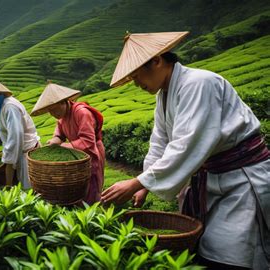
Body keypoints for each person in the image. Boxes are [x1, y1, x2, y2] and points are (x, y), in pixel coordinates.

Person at [101, 31, 269, 269]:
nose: (137, 84)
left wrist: (139, 183)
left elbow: (187, 143)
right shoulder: (164, 95)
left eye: (137, 76)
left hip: (241, 179)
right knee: (210, 247)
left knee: (232, 252)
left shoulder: (200, 83)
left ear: (157, 61)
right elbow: (159, 142)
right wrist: (144, 185)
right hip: (214, 179)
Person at [31, 82, 105, 205]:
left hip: (91, 152)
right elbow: (59, 134)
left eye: (54, 109)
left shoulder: (82, 113)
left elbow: (87, 142)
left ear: (63, 102)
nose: (53, 114)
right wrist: (55, 139)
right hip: (76, 153)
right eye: (50, 111)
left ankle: (95, 210)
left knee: (91, 185)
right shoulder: (62, 116)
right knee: (78, 185)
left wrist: (62, 146)